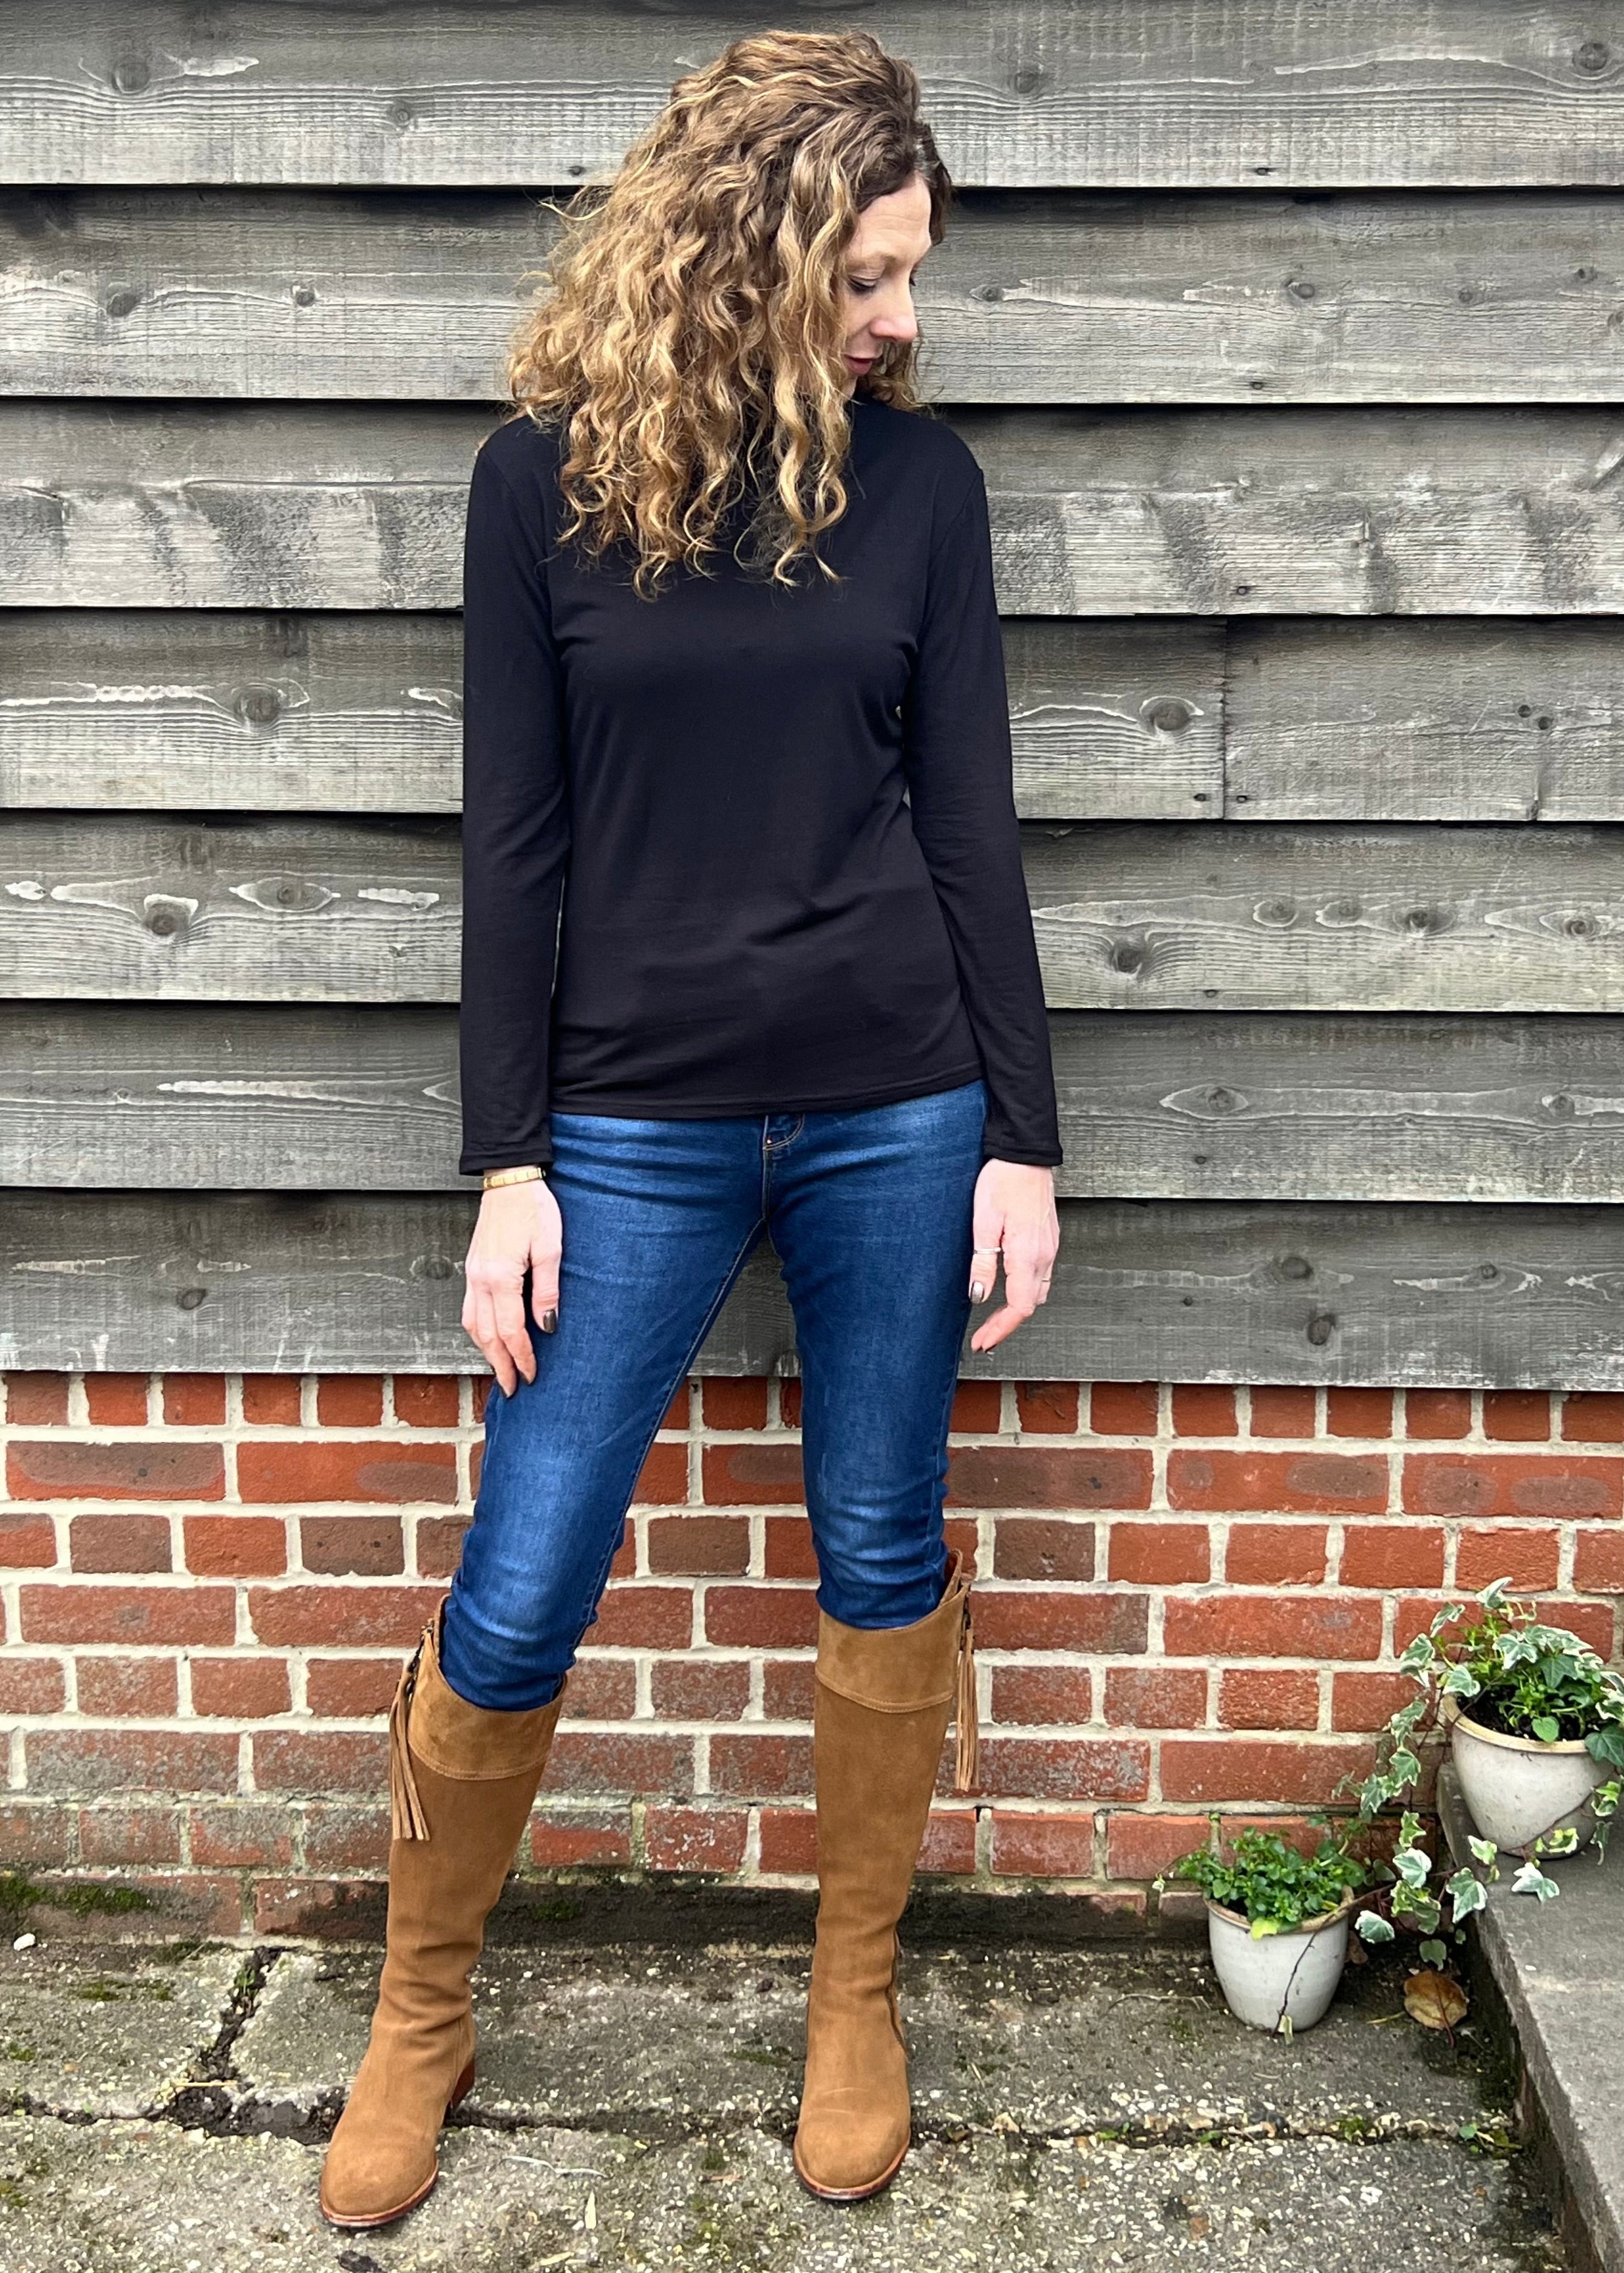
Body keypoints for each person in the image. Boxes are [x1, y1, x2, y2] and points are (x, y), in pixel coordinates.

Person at [318, 26, 1061, 2231]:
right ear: (750, 249)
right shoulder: (534, 484)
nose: (901, 318)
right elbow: (511, 852)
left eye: (913, 276)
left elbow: (973, 828)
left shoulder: (924, 497)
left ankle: (851, 1994)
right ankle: (419, 2010)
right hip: (626, 1122)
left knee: (879, 1548)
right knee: (529, 1567)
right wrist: (506, 1161)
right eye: (870, 273)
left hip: (894, 1107)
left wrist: (1016, 1136)